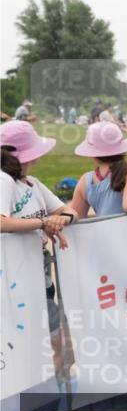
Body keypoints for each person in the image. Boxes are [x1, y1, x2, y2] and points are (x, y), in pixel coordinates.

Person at [0, 121, 79, 372]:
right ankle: (43, 404)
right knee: (57, 350)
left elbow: (70, 211)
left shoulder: (32, 183)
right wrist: (44, 222)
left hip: (39, 275)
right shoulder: (3, 181)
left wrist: (57, 221)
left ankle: (52, 400)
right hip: (17, 280)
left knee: (62, 349)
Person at [69, 121, 127, 218]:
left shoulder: (86, 181)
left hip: (104, 233)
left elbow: (78, 219)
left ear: (93, 155)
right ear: (123, 149)